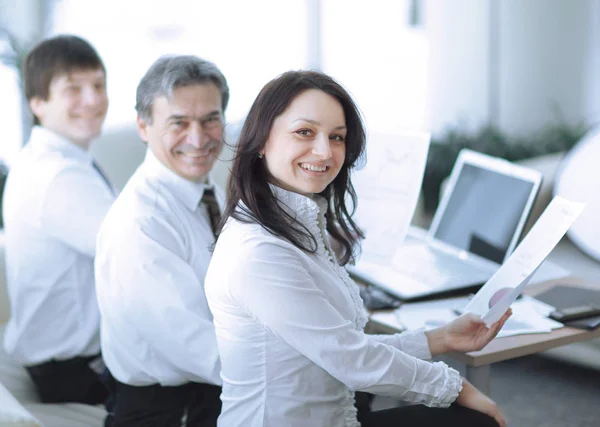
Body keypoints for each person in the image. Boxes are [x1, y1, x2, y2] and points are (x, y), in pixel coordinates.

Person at [205, 70, 510, 427]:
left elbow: (343, 344)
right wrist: (456, 387)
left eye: (337, 137)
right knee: (473, 421)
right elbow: (351, 359)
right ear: (261, 140)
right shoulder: (259, 251)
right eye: (305, 132)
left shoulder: (293, 223)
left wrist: (440, 338)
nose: (324, 151)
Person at [95, 55, 228, 427]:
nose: (198, 138)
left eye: (210, 120)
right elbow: (198, 348)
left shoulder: (203, 190)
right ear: (143, 126)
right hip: (168, 412)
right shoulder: (140, 222)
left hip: (208, 393)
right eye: (178, 123)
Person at [2, 35, 114, 404]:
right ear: (37, 103)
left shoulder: (49, 159)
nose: (93, 99)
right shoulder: (59, 176)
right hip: (75, 373)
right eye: (73, 89)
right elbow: (134, 255)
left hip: (62, 362)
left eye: (98, 85)